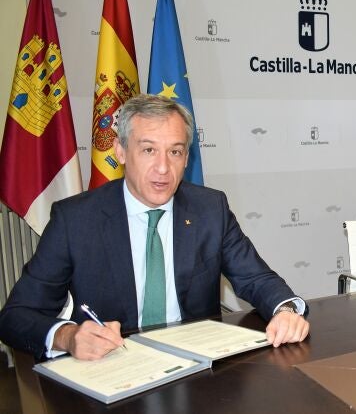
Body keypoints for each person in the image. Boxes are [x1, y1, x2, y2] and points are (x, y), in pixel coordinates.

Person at [0, 94, 309, 360]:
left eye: (175, 152)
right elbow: (15, 316)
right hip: (114, 368)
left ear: (186, 158)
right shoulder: (75, 220)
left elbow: (257, 278)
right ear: (121, 152)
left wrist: (285, 311)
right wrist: (68, 337)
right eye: (148, 150)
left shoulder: (210, 209)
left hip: (197, 370)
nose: (163, 168)